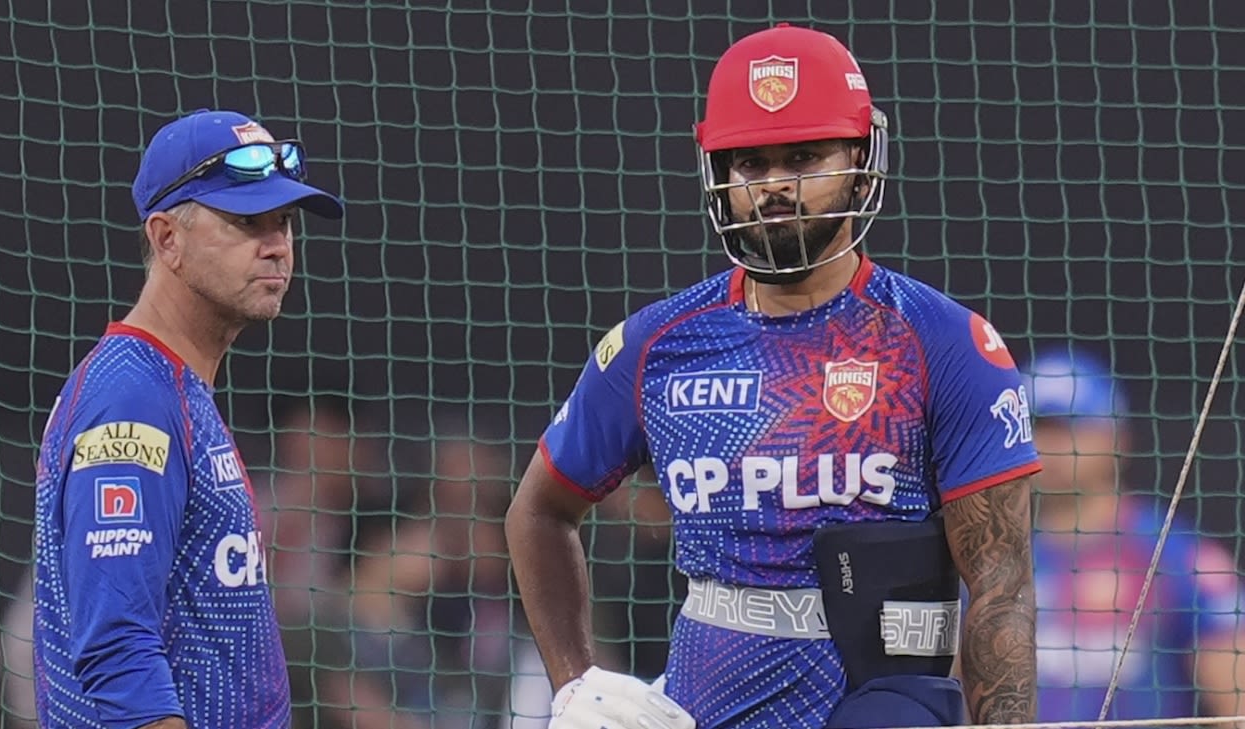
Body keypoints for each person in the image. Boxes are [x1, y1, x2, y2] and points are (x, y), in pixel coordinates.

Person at [505, 23, 1041, 729]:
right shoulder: (655, 344)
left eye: (804, 158)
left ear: (860, 159)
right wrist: (576, 687)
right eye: (750, 163)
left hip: (882, 703)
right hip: (701, 704)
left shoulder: (943, 342)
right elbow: (539, 512)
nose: (775, 186)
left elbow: (1001, 583)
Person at [30, 108, 344, 729]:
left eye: (283, 221)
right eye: (246, 222)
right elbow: (118, 653)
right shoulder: (132, 399)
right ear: (167, 238)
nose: (277, 245)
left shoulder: (172, 385)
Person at [1024, 345, 1245, 722]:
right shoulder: (992, 556)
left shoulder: (1173, 553)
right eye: (1037, 428)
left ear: (1118, 436)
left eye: (1069, 426)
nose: (1050, 444)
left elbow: (1237, 702)